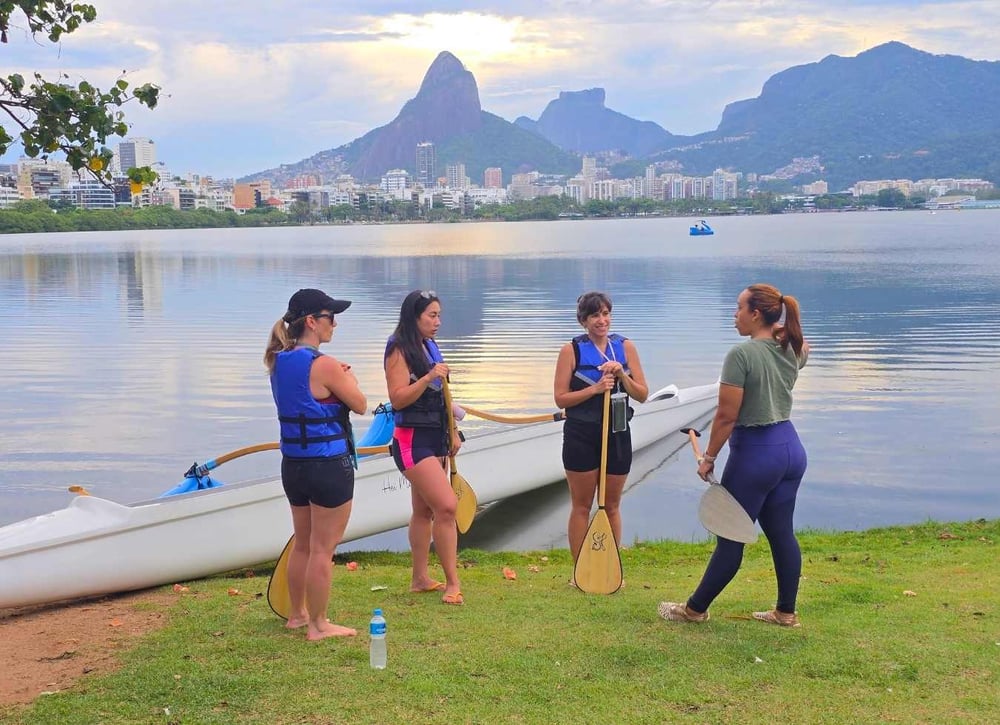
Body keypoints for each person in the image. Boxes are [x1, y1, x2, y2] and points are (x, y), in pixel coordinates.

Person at [659, 283, 809, 627]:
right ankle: (785, 613)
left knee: (730, 538)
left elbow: (726, 416)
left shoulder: (740, 356)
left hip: (756, 454)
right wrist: (781, 330)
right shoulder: (793, 348)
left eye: (739, 308)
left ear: (756, 314)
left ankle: (694, 609)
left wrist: (708, 456)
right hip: (790, 448)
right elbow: (803, 347)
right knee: (782, 533)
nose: (734, 315)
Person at [264, 288, 368, 641]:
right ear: (311, 321)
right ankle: (319, 625)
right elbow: (360, 404)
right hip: (327, 466)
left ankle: (297, 615)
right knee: (323, 549)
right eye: (330, 317)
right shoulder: (324, 364)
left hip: (293, 466)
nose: (334, 324)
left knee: (304, 544)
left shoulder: (277, 361)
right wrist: (348, 378)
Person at [554, 291, 649, 577]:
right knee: (582, 505)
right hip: (581, 434)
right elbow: (561, 398)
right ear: (583, 320)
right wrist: (594, 389)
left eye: (606, 314)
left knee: (611, 505)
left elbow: (642, 394)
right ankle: (580, 571)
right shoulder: (571, 350)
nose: (602, 320)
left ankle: (609, 569)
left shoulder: (626, 347)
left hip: (617, 432)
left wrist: (622, 375)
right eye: (595, 315)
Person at [384, 290, 465, 605]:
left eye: (439, 315)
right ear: (413, 316)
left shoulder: (430, 345)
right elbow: (398, 398)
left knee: (423, 510)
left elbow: (442, 394)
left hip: (436, 437)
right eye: (432, 315)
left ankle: (419, 578)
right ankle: (452, 582)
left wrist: (453, 433)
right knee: (446, 506)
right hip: (410, 441)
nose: (438, 322)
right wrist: (429, 375)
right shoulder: (398, 349)